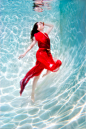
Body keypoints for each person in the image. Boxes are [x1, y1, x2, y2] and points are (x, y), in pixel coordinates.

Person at [18, 22, 62, 102]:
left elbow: (52, 26)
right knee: (37, 75)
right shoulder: (37, 35)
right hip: (41, 55)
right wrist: (24, 53)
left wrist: (44, 22)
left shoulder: (45, 34)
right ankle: (32, 93)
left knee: (54, 62)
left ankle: (47, 72)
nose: (41, 24)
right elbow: (32, 45)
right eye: (39, 24)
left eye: (41, 24)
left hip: (47, 54)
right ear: (37, 28)